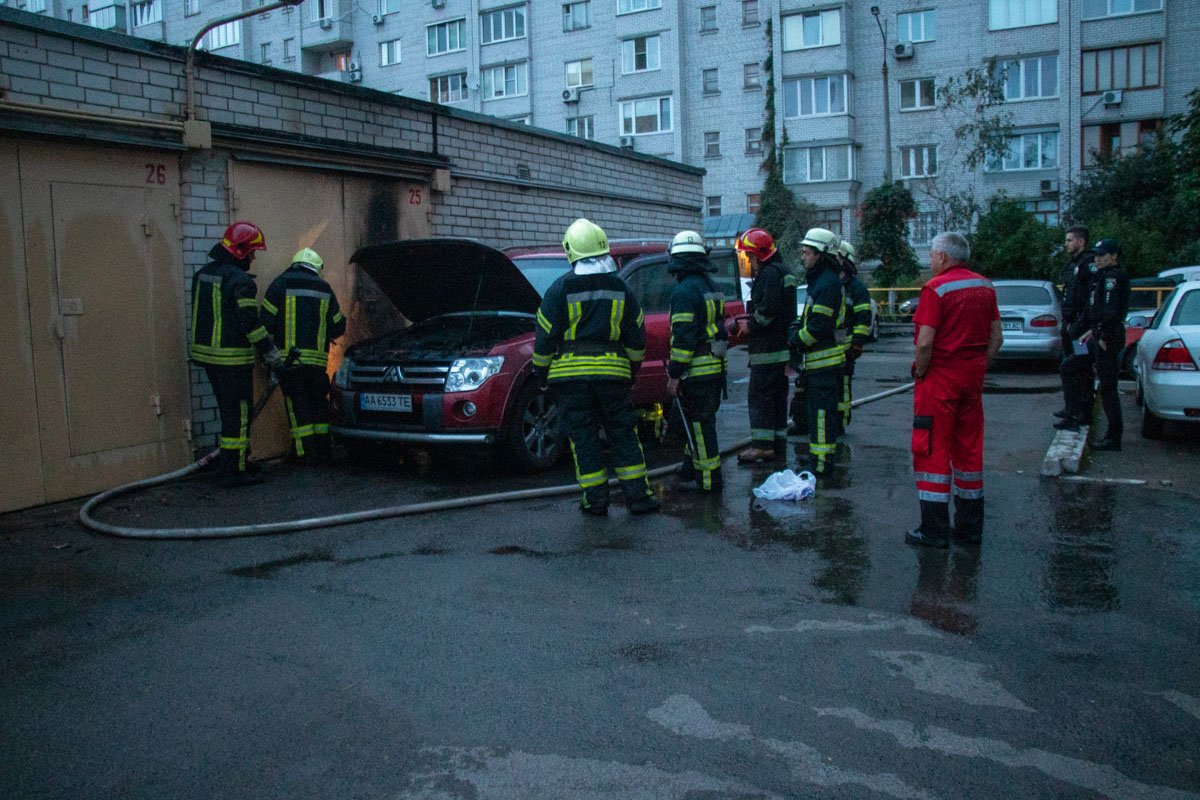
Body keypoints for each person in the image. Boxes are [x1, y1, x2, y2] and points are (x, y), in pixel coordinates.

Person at [532, 219, 660, 516]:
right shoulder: (622, 289)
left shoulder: (558, 290)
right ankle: (638, 498)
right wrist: (630, 369)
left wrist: (542, 375)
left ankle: (595, 501)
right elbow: (637, 336)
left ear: (570, 250)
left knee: (584, 438)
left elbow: (545, 338)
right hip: (613, 377)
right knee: (623, 433)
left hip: (570, 381)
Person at [906, 231, 1002, 548]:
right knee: (969, 452)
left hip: (940, 381)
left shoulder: (936, 288)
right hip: (972, 378)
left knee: (932, 451)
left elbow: (924, 343)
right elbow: (996, 339)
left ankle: (934, 531)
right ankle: (969, 529)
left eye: (932, 255)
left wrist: (921, 372)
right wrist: (977, 365)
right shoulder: (985, 286)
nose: (930, 260)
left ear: (944, 257)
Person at [190, 221, 284, 487]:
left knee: (227, 414)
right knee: (239, 417)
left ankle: (231, 463)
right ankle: (236, 471)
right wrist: (272, 354)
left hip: (208, 359)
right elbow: (250, 326)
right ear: (241, 251)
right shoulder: (241, 282)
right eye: (252, 252)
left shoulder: (202, 275)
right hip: (232, 361)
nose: (254, 258)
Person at [260, 247, 347, 464]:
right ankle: (324, 452)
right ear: (316, 268)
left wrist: (268, 354)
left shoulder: (281, 283)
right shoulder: (324, 288)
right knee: (319, 406)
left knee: (298, 408)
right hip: (317, 364)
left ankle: (304, 454)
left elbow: (265, 321)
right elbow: (338, 326)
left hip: (291, 363)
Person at [664, 230, 728, 492]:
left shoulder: (683, 292)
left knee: (701, 428)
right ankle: (692, 467)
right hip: (714, 368)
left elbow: (683, 339)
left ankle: (709, 480)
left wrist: (675, 374)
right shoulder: (711, 287)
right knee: (701, 423)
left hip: (696, 371)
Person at [734, 227, 796, 464]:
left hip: (767, 351)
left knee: (760, 398)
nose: (747, 262)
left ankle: (761, 447)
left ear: (758, 254)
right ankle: (777, 443)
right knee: (777, 399)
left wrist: (750, 325)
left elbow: (768, 312)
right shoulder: (783, 272)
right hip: (780, 350)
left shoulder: (769, 275)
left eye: (748, 257)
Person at [788, 227, 845, 476]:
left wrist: (795, 340)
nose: (803, 257)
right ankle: (818, 460)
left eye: (807, 252)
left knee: (821, 416)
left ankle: (821, 465)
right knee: (817, 416)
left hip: (824, 365)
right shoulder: (822, 281)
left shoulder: (827, 283)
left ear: (822, 254)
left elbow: (819, 327)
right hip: (818, 365)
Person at [1070, 239, 1130, 451]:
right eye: (1096, 254)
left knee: (1107, 388)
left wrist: (1102, 335)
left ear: (1113, 256)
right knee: (1072, 365)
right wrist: (1090, 331)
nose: (1097, 258)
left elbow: (1111, 312)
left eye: (1102, 255)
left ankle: (1113, 437)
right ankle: (1076, 412)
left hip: (1107, 339)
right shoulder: (1103, 276)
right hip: (1096, 334)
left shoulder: (1113, 278)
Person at [1055, 226, 1099, 430]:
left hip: (1080, 330)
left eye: (1070, 240)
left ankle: (1080, 411)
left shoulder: (1088, 264)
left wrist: (1080, 324)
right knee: (1071, 365)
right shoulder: (1073, 264)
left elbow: (1091, 299)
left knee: (1079, 368)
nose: (1066, 244)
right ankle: (1071, 408)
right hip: (1071, 325)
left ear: (1081, 242)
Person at [837, 240, 872, 431]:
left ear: (844, 260)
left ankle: (841, 422)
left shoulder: (857, 288)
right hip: (831, 348)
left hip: (847, 348)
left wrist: (857, 343)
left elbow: (863, 318)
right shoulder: (832, 283)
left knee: (843, 386)